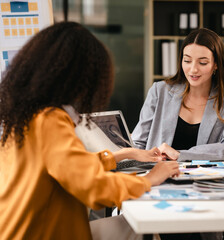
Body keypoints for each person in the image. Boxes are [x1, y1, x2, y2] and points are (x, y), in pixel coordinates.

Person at [0, 22, 179, 240]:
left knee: (131, 226)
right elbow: (93, 186)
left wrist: (126, 153)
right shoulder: (50, 120)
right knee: (139, 228)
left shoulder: (25, 115)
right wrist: (149, 179)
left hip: (21, 230)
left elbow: (69, 166)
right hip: (43, 233)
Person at [132, 28, 224, 162]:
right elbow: (138, 142)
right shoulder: (159, 91)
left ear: (216, 65)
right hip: (158, 175)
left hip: (204, 179)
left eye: (203, 62)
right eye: (187, 60)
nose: (193, 69)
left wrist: (180, 155)